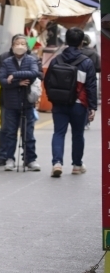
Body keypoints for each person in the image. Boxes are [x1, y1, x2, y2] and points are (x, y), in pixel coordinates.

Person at [46, 27, 97, 177]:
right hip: (79, 104)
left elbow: (47, 81)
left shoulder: (56, 60)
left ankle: (57, 163)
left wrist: (53, 98)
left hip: (59, 103)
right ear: (82, 42)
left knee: (58, 133)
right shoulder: (86, 62)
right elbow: (91, 86)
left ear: (66, 41)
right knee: (78, 134)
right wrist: (92, 106)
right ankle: (76, 165)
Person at [0, 35, 41, 171]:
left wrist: (13, 76)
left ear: (26, 47)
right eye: (17, 43)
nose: (19, 46)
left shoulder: (31, 60)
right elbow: (2, 79)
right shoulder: (6, 61)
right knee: (10, 133)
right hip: (10, 103)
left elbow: (34, 73)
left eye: (22, 43)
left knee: (29, 133)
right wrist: (18, 83)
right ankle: (9, 159)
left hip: (27, 103)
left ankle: (30, 159)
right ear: (12, 46)